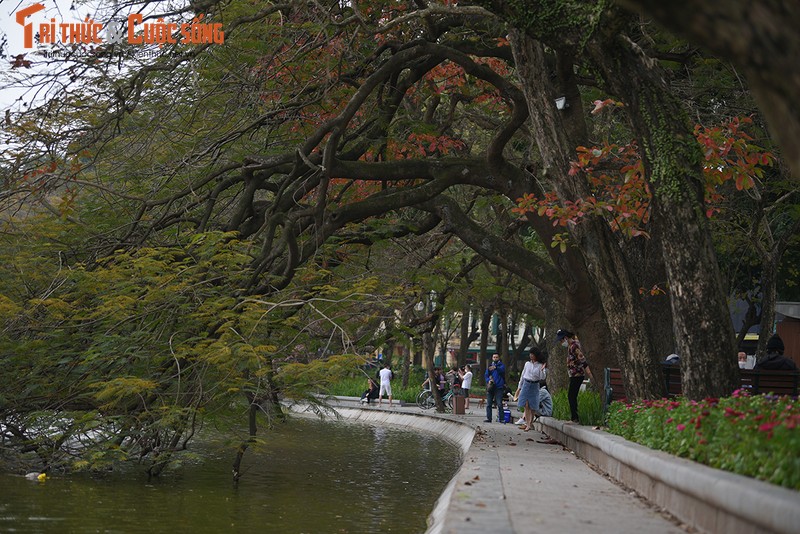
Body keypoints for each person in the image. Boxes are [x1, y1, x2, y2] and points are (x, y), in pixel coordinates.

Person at [556, 329, 594, 423]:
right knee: (571, 395)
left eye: (561, 340)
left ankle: (575, 418)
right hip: (573, 375)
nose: (561, 343)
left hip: (578, 374)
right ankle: (574, 417)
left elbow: (582, 359)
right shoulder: (569, 347)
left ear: (565, 338)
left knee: (571, 395)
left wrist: (589, 374)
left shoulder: (574, 346)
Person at [514, 347, 547, 431]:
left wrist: (543, 370)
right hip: (526, 384)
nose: (531, 356)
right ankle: (527, 424)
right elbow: (522, 375)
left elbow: (542, 377)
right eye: (530, 354)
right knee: (526, 405)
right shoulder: (527, 364)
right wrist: (519, 387)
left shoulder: (539, 365)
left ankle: (530, 422)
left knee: (533, 405)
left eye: (533, 354)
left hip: (534, 385)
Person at [484, 353, 506, 423]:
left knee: (499, 403)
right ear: (492, 358)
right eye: (494, 357)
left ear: (499, 358)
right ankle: (489, 418)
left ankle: (502, 418)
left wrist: (496, 367)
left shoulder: (501, 365)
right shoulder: (490, 366)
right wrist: (488, 380)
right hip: (491, 387)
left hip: (499, 387)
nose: (495, 358)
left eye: (496, 357)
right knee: (489, 404)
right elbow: (486, 375)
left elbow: (502, 371)